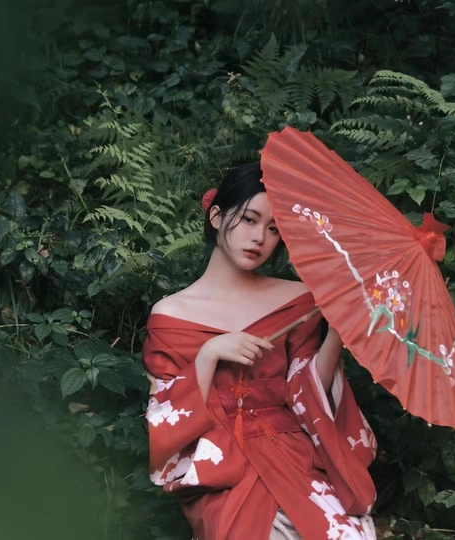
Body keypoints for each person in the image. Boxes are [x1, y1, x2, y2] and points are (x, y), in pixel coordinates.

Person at [143, 162, 378, 539]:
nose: (259, 238)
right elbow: (163, 417)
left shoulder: (298, 299)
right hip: (220, 463)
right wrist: (208, 354)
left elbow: (305, 392)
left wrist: (337, 332)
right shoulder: (170, 315)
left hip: (294, 453)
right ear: (217, 216)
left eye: (273, 229)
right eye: (249, 220)